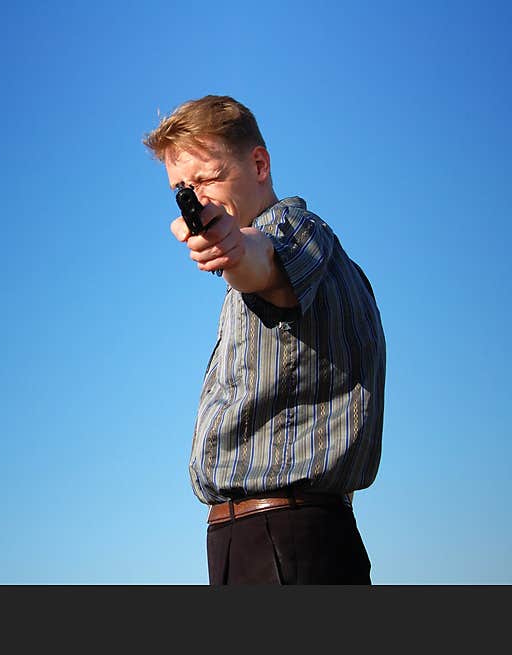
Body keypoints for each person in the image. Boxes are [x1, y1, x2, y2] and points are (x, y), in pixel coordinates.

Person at [144, 95, 386, 584]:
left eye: (207, 178)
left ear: (258, 164)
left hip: (282, 541)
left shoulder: (294, 231)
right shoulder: (325, 261)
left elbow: (265, 258)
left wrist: (233, 248)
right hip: (275, 538)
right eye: (181, 189)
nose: (197, 199)